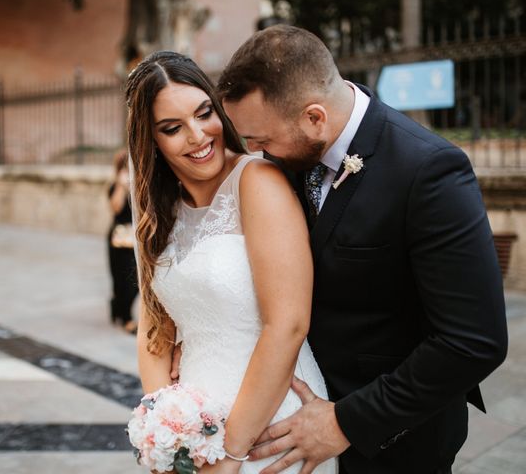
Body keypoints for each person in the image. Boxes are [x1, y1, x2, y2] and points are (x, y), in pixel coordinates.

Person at [213, 25, 508, 474]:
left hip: (393, 446)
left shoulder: (428, 171)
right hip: (290, 425)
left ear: (315, 118)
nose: (253, 152)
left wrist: (346, 422)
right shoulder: (287, 159)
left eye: (262, 139)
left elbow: (473, 342)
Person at [125, 50, 337, 474]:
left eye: (204, 114)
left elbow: (289, 324)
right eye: (172, 128)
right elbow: (154, 332)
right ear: (151, 141)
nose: (198, 136)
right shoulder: (156, 215)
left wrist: (230, 454)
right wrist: (168, 427)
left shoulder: (258, 181)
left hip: (269, 423)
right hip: (196, 425)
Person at [107, 149, 139, 335]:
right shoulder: (115, 187)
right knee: (120, 279)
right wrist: (121, 185)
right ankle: (125, 317)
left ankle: (117, 307)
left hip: (136, 239)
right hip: (118, 239)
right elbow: (115, 207)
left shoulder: (139, 185)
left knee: (135, 281)